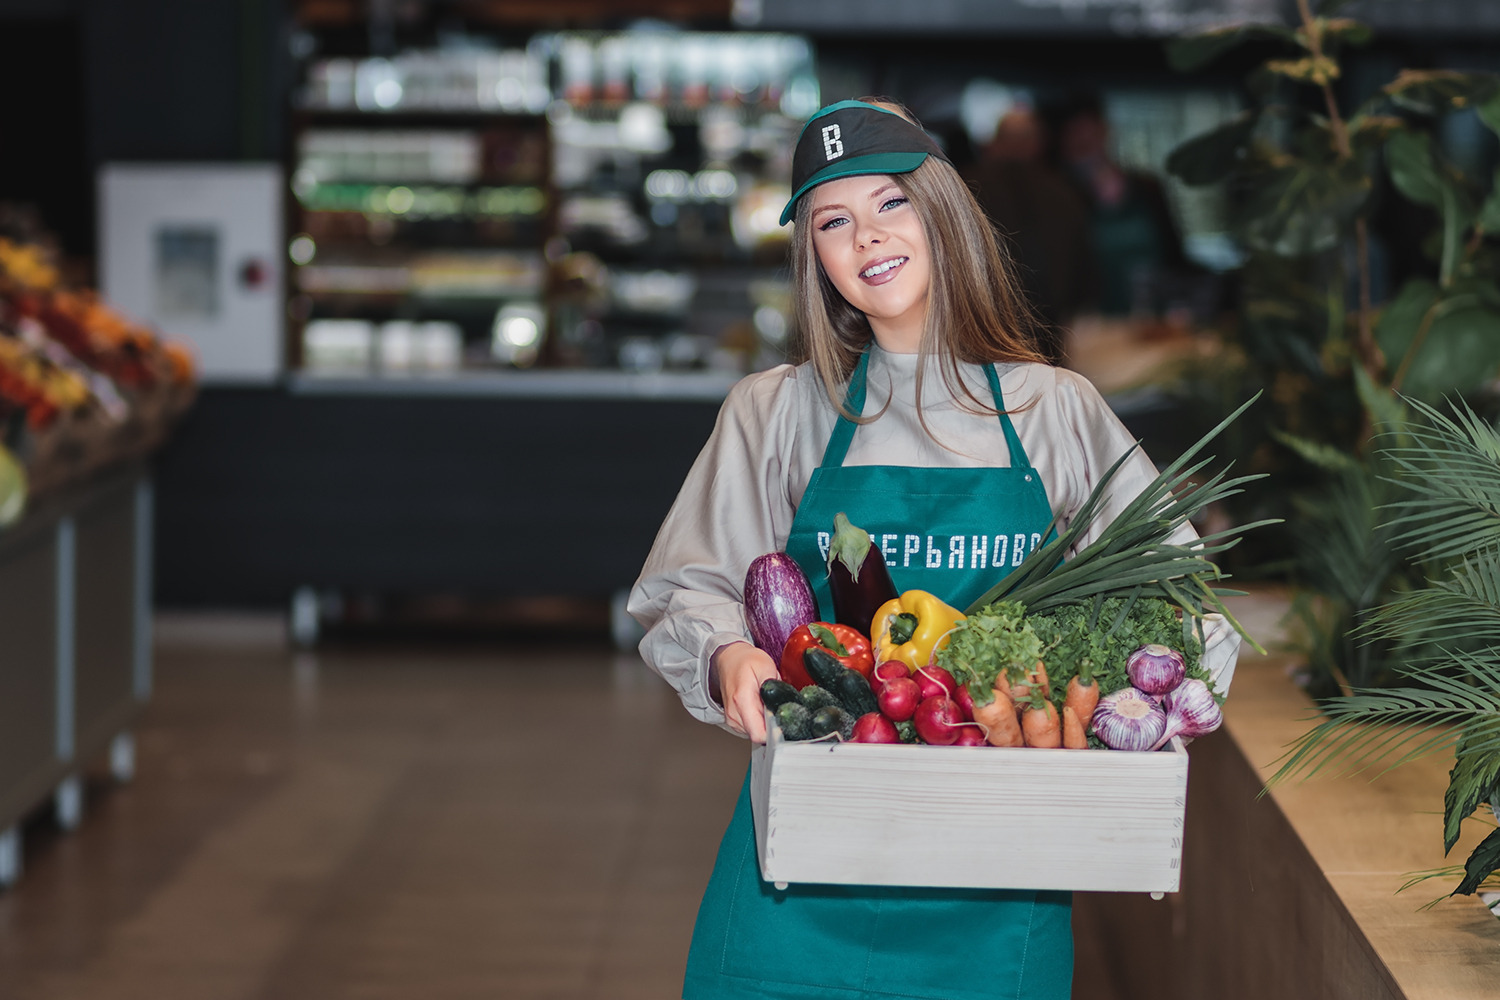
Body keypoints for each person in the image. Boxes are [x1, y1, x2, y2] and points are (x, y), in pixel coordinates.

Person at [628, 98, 1221, 1000]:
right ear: (815, 258)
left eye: (890, 204)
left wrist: (1128, 697)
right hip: (797, 880)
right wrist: (729, 656)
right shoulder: (777, 410)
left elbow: (1183, 600)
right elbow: (687, 588)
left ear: (943, 213)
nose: (867, 237)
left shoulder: (1052, 411)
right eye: (834, 221)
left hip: (997, 885)